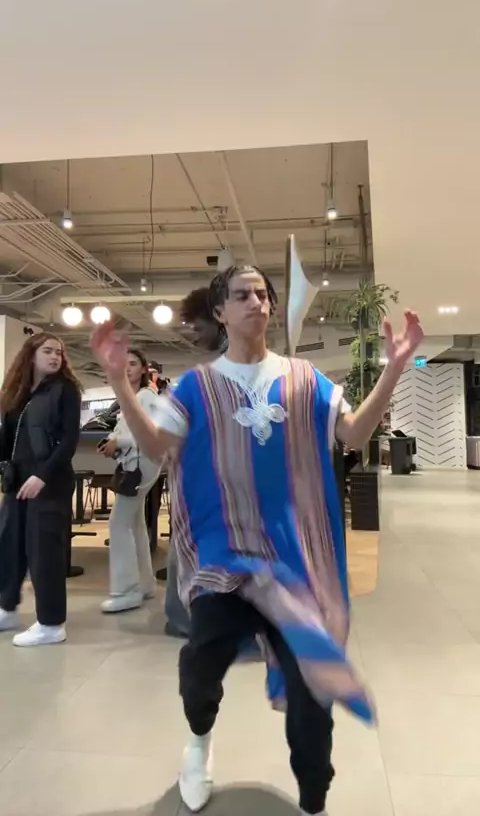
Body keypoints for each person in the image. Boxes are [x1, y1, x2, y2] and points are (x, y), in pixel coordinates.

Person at [91, 265, 423, 816]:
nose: (257, 302)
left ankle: (313, 802)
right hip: (223, 561)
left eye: (263, 294)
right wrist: (121, 384)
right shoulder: (196, 386)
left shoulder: (304, 377)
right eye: (243, 295)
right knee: (201, 666)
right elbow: (154, 446)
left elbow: (354, 434)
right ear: (220, 312)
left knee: (312, 697)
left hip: (295, 566)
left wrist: (394, 368)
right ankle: (198, 742)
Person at [0, 333, 82, 647]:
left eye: (59, 352)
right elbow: (9, 438)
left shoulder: (66, 389)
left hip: (50, 483)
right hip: (17, 481)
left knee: (44, 552)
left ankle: (51, 623)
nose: (55, 357)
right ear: (31, 355)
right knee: (9, 546)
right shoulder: (17, 392)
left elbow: (69, 441)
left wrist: (42, 476)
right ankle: (6, 608)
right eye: (47, 351)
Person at [98, 348, 163, 613]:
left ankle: (126, 591)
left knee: (118, 523)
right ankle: (144, 585)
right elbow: (125, 428)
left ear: (144, 369)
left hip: (143, 465)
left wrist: (119, 441)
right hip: (134, 464)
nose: (127, 368)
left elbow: (152, 433)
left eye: (133, 363)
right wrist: (113, 438)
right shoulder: (131, 397)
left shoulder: (147, 397)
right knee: (134, 523)